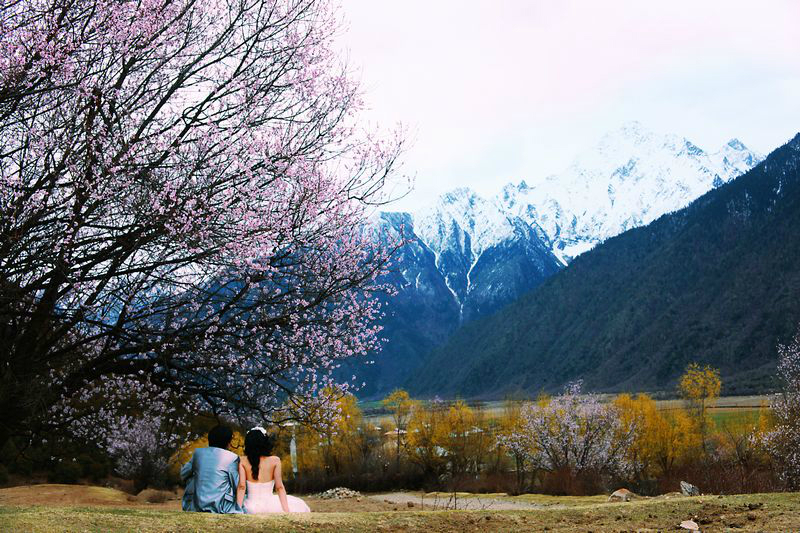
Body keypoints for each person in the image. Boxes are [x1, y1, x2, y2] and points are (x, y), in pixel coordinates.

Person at [236, 427, 310, 513]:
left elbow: (242, 487)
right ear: (264, 443)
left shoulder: (242, 461)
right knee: (299, 505)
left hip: (250, 506)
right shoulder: (275, 460)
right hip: (270, 505)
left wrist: (238, 509)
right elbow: (279, 487)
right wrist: (286, 510)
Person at [181, 425, 243, 513]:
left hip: (197, 505)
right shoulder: (232, 458)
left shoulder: (198, 453)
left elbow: (183, 474)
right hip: (222, 507)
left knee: (194, 474)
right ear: (228, 442)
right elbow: (237, 484)